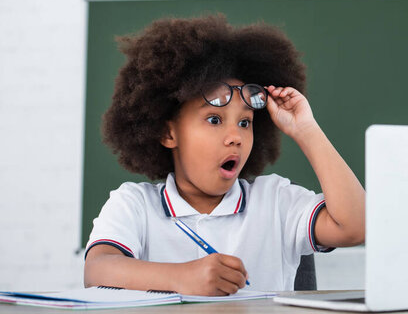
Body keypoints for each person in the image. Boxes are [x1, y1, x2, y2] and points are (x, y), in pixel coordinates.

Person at [84, 15, 365, 296]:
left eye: (245, 122)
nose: (236, 137)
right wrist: (181, 278)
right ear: (169, 134)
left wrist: (306, 130)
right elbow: (97, 270)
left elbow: (356, 226)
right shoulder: (135, 205)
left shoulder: (276, 202)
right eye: (215, 120)